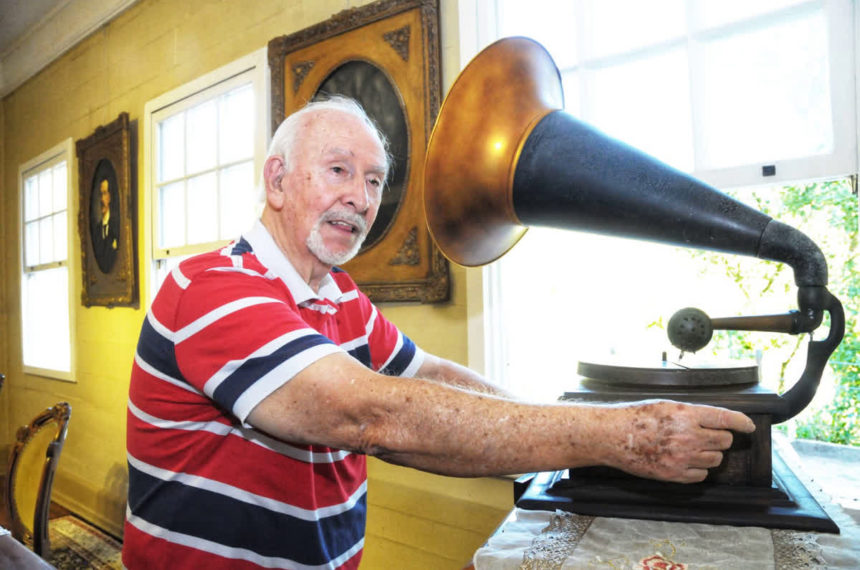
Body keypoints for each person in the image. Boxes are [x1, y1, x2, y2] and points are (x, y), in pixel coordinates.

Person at [123, 95, 755, 569]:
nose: (362, 199)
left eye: (374, 181)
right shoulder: (209, 286)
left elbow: (425, 375)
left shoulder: (340, 295)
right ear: (277, 179)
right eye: (339, 170)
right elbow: (369, 414)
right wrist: (621, 436)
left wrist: (552, 420)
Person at [91, 177, 119, 273]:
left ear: (110, 196)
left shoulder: (117, 225)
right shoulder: (97, 230)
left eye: (104, 193)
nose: (101, 199)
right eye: (100, 194)